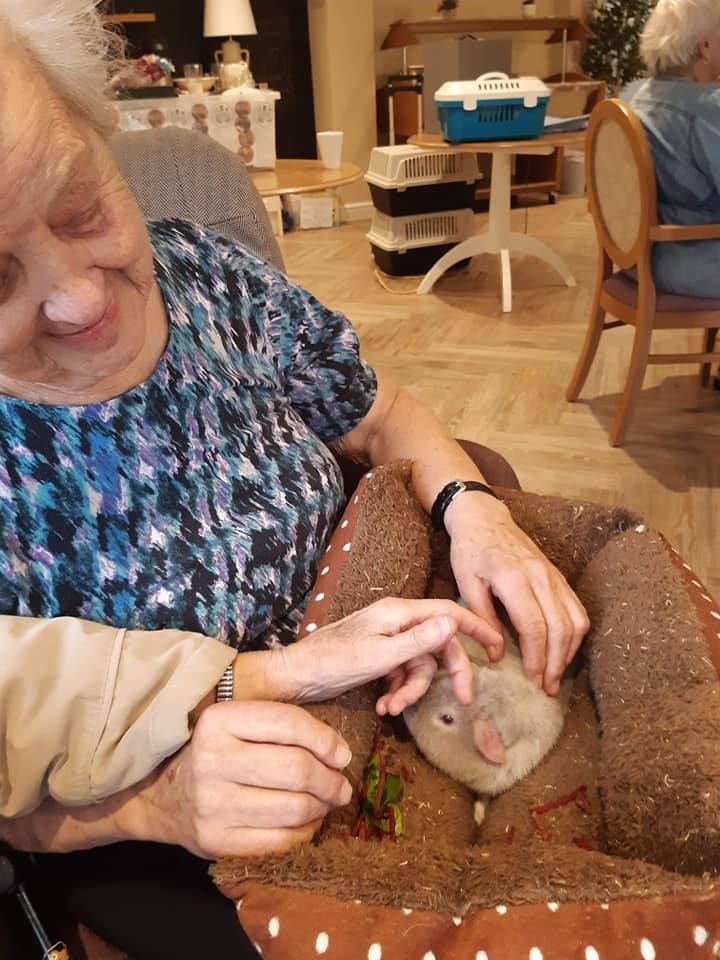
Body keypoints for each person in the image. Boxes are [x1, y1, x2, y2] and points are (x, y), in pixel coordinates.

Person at [0, 1, 589, 957]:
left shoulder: (207, 274)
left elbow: (378, 412)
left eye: (81, 208)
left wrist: (473, 510)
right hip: (190, 827)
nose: (79, 296)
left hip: (401, 684)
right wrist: (155, 806)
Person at [631, 0, 720, 296]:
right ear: (705, 47)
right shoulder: (706, 109)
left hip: (640, 256)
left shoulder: (638, 97)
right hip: (696, 261)